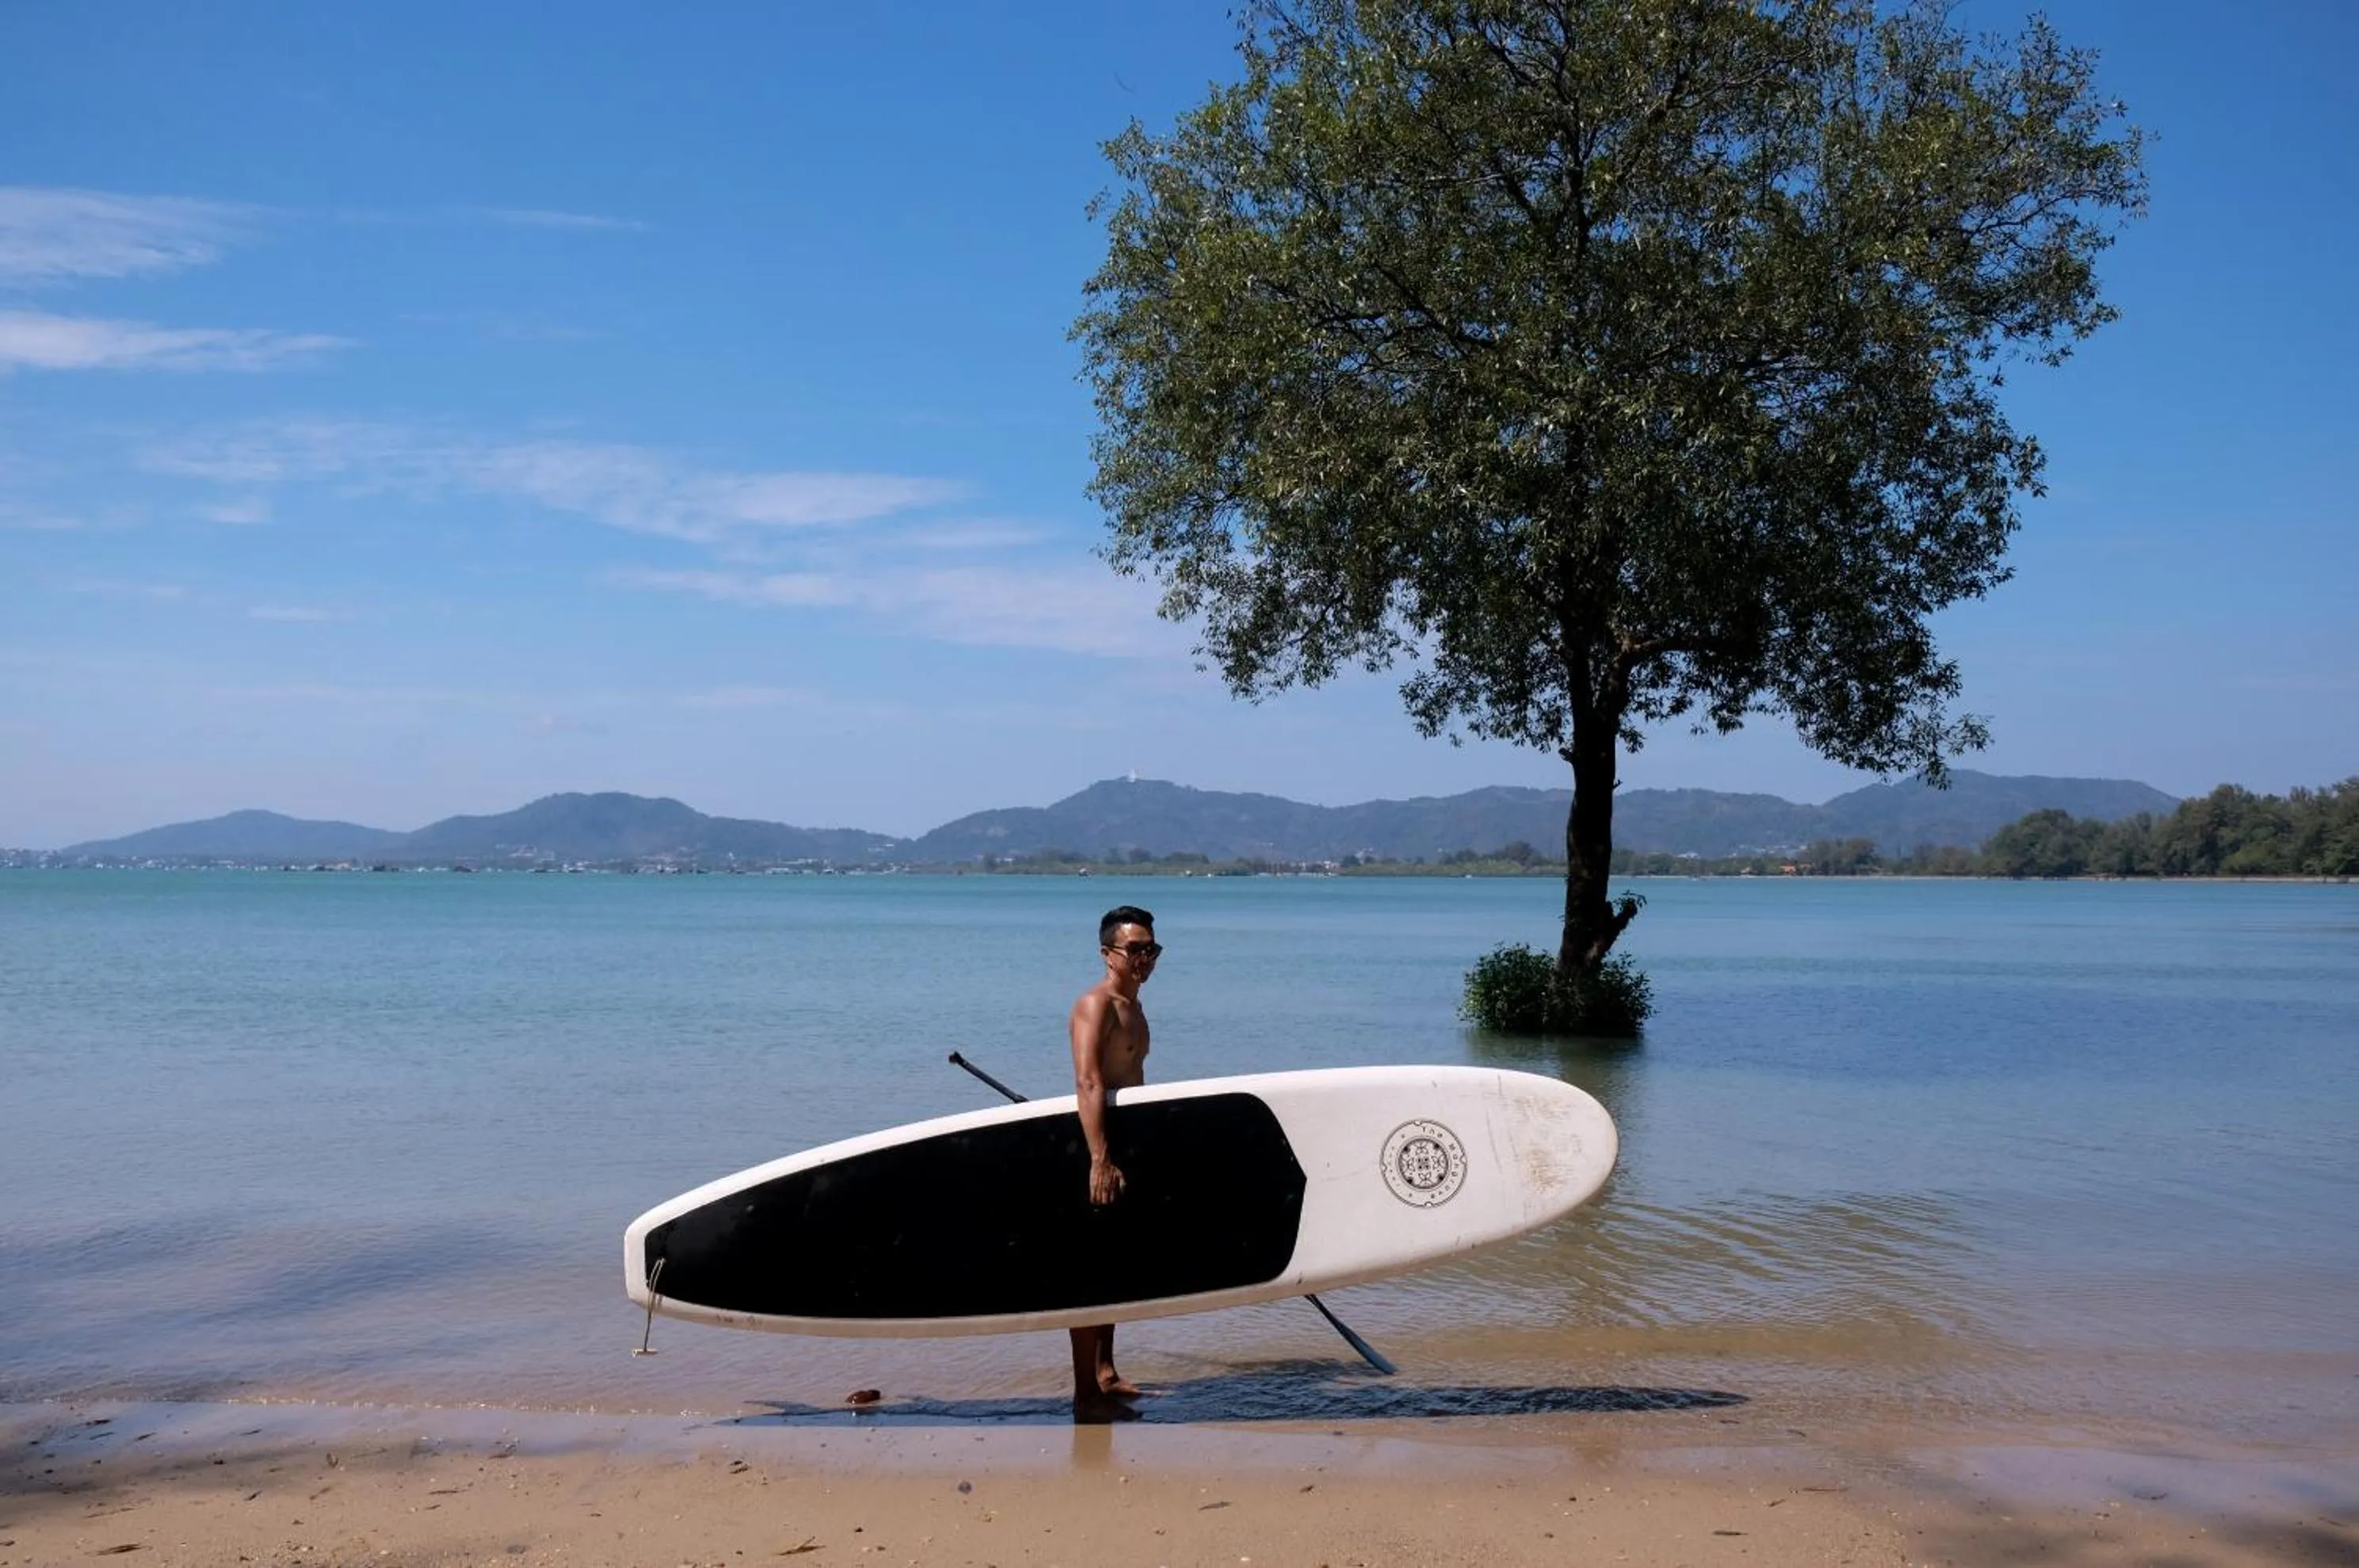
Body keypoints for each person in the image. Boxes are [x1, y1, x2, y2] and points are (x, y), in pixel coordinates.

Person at [1066, 903, 1158, 1417]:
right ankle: (1084, 1394)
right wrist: (1098, 1158)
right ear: (1109, 953)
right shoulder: (1095, 1004)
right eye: (1135, 949)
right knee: (1091, 1269)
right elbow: (1088, 1081)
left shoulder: (1135, 1006)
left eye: (1151, 949)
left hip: (1128, 1142)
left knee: (1118, 1264)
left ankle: (1106, 1373)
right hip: (1096, 1144)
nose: (1145, 958)